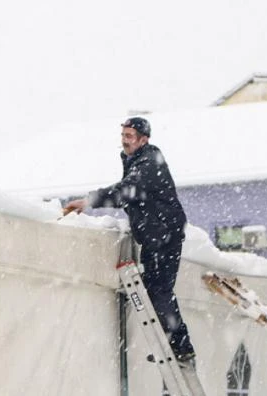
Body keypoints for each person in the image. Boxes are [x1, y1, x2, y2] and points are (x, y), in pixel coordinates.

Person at [62, 116, 196, 362]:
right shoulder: (138, 160)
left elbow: (127, 191)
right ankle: (176, 343)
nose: (124, 141)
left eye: (129, 137)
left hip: (163, 235)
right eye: (123, 136)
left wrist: (90, 201)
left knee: (159, 290)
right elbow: (128, 190)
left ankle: (178, 345)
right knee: (156, 289)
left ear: (143, 139)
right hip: (157, 234)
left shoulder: (148, 163)